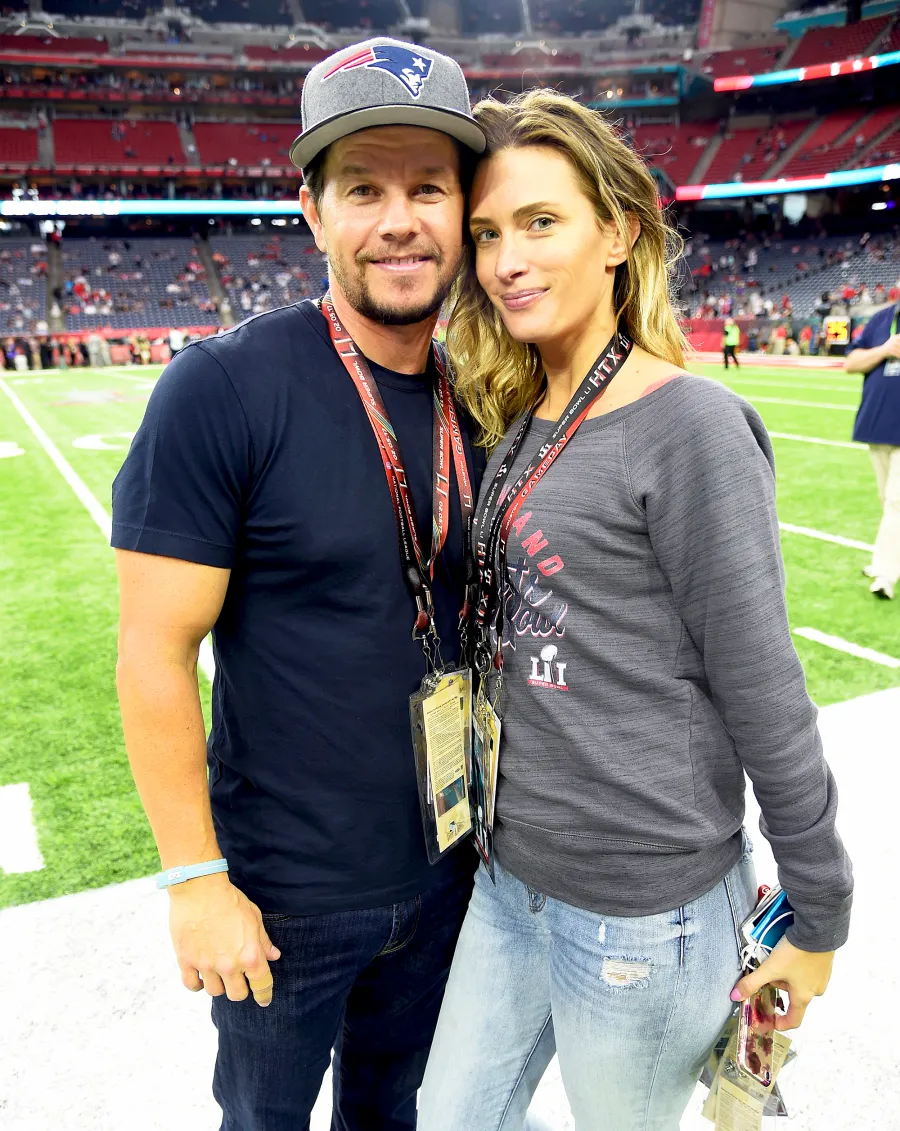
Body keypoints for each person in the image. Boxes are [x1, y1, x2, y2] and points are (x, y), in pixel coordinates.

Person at [417, 89, 852, 1131]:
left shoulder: (691, 425)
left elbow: (764, 689)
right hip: (511, 875)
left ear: (617, 233)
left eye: (540, 222)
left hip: (642, 912)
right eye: (486, 234)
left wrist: (821, 916)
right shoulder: (522, 417)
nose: (506, 260)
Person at [112, 37, 486, 1130]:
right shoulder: (222, 387)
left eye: (428, 187)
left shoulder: (485, 394)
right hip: (284, 899)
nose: (399, 220)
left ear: (464, 210)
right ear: (313, 211)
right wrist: (194, 880)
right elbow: (152, 648)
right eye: (363, 189)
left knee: (395, 1112)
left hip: (450, 863)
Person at [845, 300, 900, 600]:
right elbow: (850, 363)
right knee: (887, 500)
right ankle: (890, 559)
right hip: (878, 425)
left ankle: (884, 573)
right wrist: (885, 350)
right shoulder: (882, 319)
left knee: (896, 503)